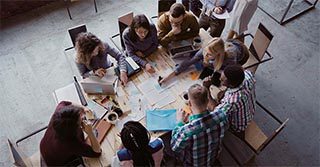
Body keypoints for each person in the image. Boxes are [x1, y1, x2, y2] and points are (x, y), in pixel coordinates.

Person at [171, 84, 228, 166]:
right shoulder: (221, 115)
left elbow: (174, 147)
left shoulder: (186, 131)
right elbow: (225, 126)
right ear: (208, 100)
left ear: (189, 103)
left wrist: (180, 122)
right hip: (213, 158)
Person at [159, 37, 249, 85]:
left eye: (209, 54)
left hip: (242, 53)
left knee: (216, 81)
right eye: (205, 51)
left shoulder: (229, 60)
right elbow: (190, 61)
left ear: (218, 54)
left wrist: (211, 67)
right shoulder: (205, 51)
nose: (205, 55)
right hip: (230, 44)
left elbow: (232, 73)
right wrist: (170, 76)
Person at [40, 101, 101, 166]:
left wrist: (83, 108)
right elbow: (97, 153)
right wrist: (90, 132)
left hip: (45, 146)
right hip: (55, 162)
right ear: (74, 129)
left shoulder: (59, 113)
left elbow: (65, 103)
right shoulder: (70, 143)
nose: (83, 116)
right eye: (80, 119)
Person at [213, 65, 256, 139]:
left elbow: (215, 115)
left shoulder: (232, 101)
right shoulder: (248, 76)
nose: (220, 79)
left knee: (211, 117)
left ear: (231, 85)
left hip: (239, 126)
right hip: (251, 110)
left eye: (222, 80)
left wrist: (206, 89)